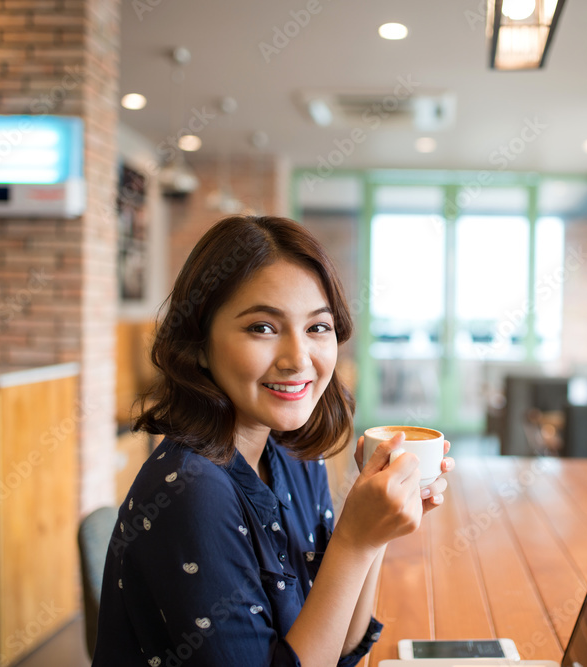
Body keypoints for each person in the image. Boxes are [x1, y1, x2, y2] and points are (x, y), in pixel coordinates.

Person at [92, 215, 454, 667]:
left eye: (317, 327)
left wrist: (373, 532)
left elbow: (338, 646)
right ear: (199, 344)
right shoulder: (190, 492)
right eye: (263, 327)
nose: (298, 359)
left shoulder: (294, 453)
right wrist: (355, 539)